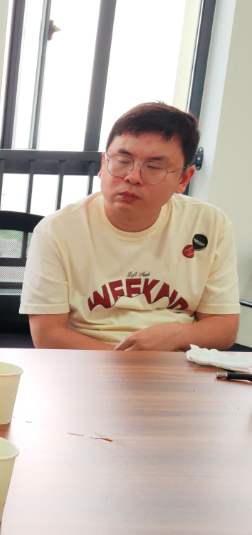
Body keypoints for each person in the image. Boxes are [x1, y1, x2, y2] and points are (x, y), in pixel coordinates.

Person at [20, 102, 239, 351]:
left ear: (183, 179)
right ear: (103, 164)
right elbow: (48, 336)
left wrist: (178, 334)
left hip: (178, 363)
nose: (132, 177)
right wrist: (131, 364)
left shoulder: (210, 224)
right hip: (87, 363)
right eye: (122, 160)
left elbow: (224, 327)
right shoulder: (57, 231)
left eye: (154, 167)